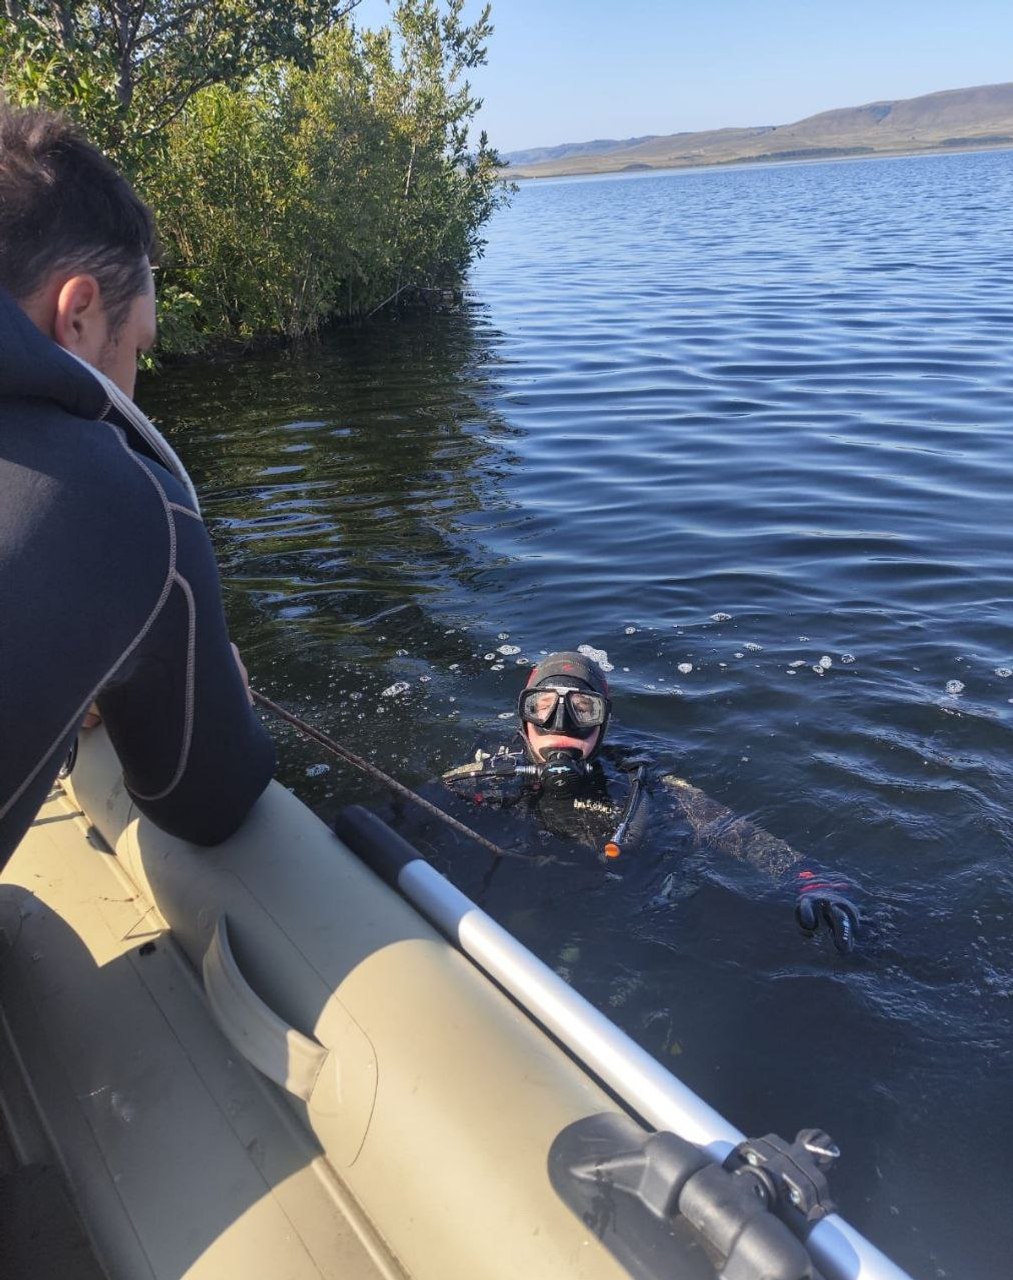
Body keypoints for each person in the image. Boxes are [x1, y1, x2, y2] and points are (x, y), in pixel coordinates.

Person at [0, 105, 275, 865]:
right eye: (140, 351)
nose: (134, 386)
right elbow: (207, 800)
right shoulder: (129, 501)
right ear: (80, 313)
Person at [441, 650, 862, 952]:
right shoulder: (483, 777)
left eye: (582, 709)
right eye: (544, 707)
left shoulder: (638, 782)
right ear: (524, 718)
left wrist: (818, 884)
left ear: (603, 722)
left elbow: (733, 831)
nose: (560, 725)